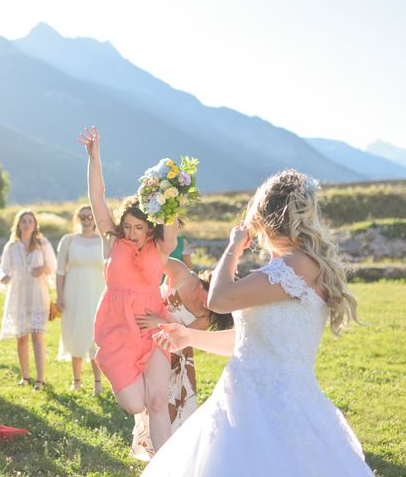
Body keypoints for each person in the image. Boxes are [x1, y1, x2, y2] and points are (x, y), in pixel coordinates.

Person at [143, 169, 374, 476]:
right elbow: (251, 341)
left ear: (264, 218)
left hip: (269, 408)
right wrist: (189, 337)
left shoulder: (295, 266)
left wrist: (233, 248)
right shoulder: (290, 267)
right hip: (244, 400)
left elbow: (219, 299)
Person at [79, 126, 178, 453]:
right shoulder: (113, 241)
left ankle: (165, 468)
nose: (133, 233)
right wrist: (95, 158)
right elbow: (97, 198)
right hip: (118, 330)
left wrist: (169, 193)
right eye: (129, 227)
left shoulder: (160, 246)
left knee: (158, 402)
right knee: (136, 404)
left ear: (150, 227)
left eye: (140, 227)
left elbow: (172, 228)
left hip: (153, 328)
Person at [132, 260, 233, 460]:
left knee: (166, 407)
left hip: (175, 360)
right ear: (210, 285)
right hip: (145, 344)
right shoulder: (182, 274)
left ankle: (168, 459)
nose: (207, 305)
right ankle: (157, 456)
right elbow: (153, 259)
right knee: (148, 403)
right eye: (209, 299)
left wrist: (159, 323)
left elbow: (186, 337)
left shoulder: (207, 315)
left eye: (215, 307)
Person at [0, 210, 57, 391]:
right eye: (24, 221)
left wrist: (43, 268)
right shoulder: (11, 247)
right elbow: (2, 269)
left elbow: (54, 267)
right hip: (18, 294)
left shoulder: (42, 243)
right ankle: (25, 377)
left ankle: (40, 379)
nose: (27, 224)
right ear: (18, 224)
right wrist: (4, 277)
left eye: (31, 221)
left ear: (35, 224)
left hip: (38, 293)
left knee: (38, 336)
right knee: (21, 336)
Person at [56, 205, 104, 394]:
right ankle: (77, 381)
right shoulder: (68, 241)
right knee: (75, 333)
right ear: (77, 218)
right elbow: (60, 271)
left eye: (90, 216)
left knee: (95, 336)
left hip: (97, 294)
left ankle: (98, 383)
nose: (86, 219)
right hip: (73, 294)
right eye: (82, 216)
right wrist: (59, 296)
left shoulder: (103, 241)